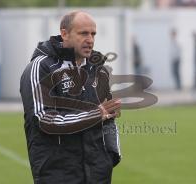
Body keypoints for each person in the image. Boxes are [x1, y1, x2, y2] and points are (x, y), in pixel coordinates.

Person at [20, 11, 121, 184]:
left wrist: (112, 154)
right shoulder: (41, 68)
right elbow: (44, 120)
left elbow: (109, 118)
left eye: (93, 34)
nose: (90, 39)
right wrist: (95, 115)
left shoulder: (99, 70)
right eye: (83, 33)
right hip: (58, 173)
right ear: (64, 33)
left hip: (98, 173)